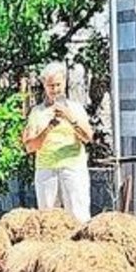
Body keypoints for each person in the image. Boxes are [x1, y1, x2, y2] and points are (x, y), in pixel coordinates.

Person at [21, 61, 93, 223]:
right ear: (44, 86)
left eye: (58, 85)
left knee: (79, 216)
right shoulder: (37, 112)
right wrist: (48, 128)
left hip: (73, 168)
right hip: (46, 169)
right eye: (50, 86)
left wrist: (69, 117)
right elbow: (30, 146)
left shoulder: (76, 108)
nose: (55, 89)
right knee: (48, 220)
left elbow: (88, 137)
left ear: (65, 83)